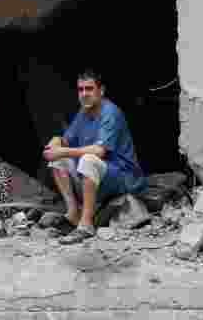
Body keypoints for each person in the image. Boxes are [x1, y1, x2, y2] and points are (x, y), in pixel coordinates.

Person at [43, 71, 146, 244]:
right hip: (100, 173)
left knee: (87, 159)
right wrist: (56, 141)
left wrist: (62, 151)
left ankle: (86, 224)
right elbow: (67, 140)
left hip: (123, 175)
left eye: (89, 89)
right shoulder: (84, 112)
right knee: (57, 161)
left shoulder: (110, 113)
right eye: (80, 89)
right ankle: (73, 213)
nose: (84, 94)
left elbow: (99, 151)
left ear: (101, 91)